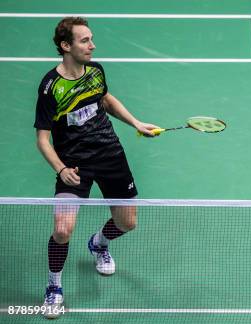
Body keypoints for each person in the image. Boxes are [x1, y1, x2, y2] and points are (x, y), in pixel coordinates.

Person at [34, 17, 159, 318]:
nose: (92, 45)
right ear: (66, 46)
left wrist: (136, 122)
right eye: (84, 40)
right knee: (62, 230)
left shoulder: (95, 71)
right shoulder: (52, 87)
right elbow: (42, 138)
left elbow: (105, 100)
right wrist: (61, 168)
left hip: (110, 154)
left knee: (128, 222)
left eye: (91, 39)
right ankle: (54, 287)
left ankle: (98, 243)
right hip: (74, 164)